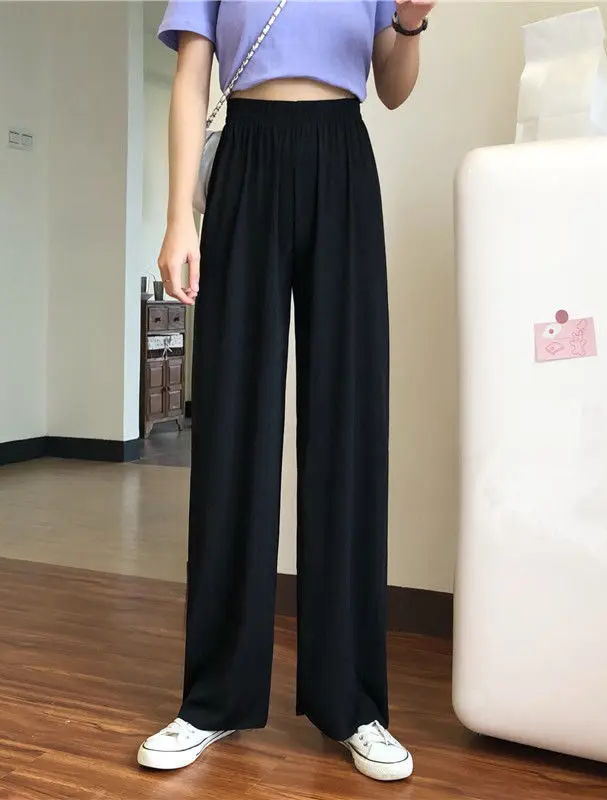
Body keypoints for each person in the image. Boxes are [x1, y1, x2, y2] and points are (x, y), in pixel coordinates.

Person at [137, 0, 434, 783]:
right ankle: (213, 700)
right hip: (247, 154)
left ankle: (353, 702)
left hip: (342, 155)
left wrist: (409, 24)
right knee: (233, 424)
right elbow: (191, 75)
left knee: (348, 421)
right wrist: (178, 217)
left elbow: (394, 87)